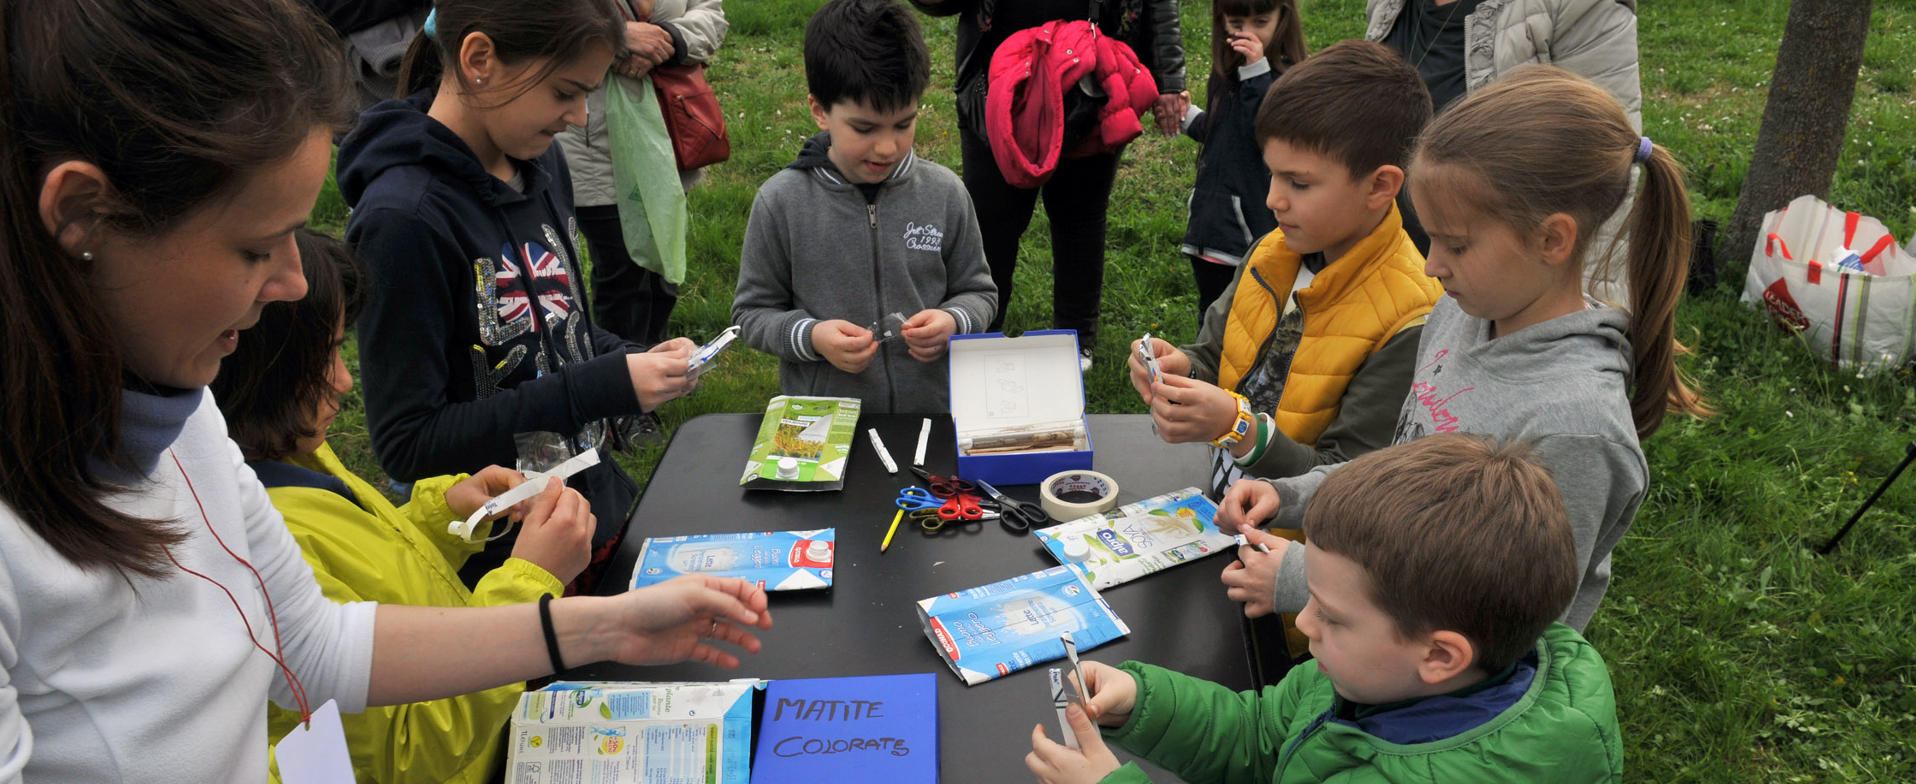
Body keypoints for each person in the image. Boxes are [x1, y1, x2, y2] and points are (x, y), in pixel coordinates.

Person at [0, 1, 771, 780]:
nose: (296, 281)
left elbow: (317, 643)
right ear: (82, 214)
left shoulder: (188, 416)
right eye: (255, 246)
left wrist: (604, 628)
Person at [1217, 66, 1710, 633]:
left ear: (1553, 239)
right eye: (1431, 239)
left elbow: (1501, 610)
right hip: (1377, 656)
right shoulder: (1461, 311)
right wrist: (1294, 495)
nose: (1431, 266)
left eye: (1456, 244)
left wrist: (1307, 577)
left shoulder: (1573, 430)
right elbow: (1399, 472)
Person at [339, 0, 701, 589]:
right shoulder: (404, 222)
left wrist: (628, 359)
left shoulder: (541, 163)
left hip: (587, 515)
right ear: (479, 59)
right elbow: (408, 442)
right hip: (497, 567)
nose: (580, 117)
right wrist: (602, 386)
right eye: (565, 92)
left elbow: (559, 328)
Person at [212, 231, 593, 783]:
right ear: (254, 368)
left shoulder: (287, 458)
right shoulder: (254, 551)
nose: (343, 381)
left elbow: (366, 569)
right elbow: (406, 748)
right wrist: (529, 582)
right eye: (323, 357)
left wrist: (447, 520)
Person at [1025, 434, 1623, 784]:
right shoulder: (1373, 671)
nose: (1304, 622)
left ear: (1439, 655)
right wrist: (1142, 702)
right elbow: (1261, 734)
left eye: (1331, 615)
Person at [1130, 41, 1442, 502]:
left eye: (1299, 183)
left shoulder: (1407, 320)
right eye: (1272, 173)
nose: (1274, 199)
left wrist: (1238, 430)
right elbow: (1217, 357)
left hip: (1297, 555)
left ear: (1380, 185)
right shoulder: (1270, 252)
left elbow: (1348, 483)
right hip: (1221, 516)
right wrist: (1181, 370)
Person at [731, 0, 997, 414]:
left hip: (933, 416)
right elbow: (751, 314)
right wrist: (813, 336)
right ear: (820, 110)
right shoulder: (781, 202)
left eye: (904, 123)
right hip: (825, 422)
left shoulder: (945, 193)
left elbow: (978, 291)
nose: (887, 147)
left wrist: (955, 322)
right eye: (865, 128)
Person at [909, 0, 1187, 371]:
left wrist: (1169, 77)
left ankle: (1074, 339)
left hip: (1090, 75)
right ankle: (978, 332)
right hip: (996, 81)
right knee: (991, 221)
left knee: (1080, 219)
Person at [1369, 0, 1643, 299]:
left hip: (1503, 303)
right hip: (1391, 283)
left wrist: (1585, 312)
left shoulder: (1580, 7)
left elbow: (1603, 175)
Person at [557, 0, 728, 347]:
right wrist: (615, 37)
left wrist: (667, 38)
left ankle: (656, 355)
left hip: (665, 136)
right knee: (623, 272)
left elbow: (711, 15)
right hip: (593, 147)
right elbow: (533, 27)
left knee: (661, 269)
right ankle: (623, 377)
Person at [1179, 0, 1305, 318]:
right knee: (1211, 317)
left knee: (1252, 320)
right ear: (1221, 21)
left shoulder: (1287, 81)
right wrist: (1186, 116)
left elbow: (1266, 133)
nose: (1247, 33)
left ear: (1283, 19)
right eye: (1236, 23)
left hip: (1249, 233)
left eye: (1261, 22)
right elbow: (1222, 131)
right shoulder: (1227, 73)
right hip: (1210, 224)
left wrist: (1257, 73)